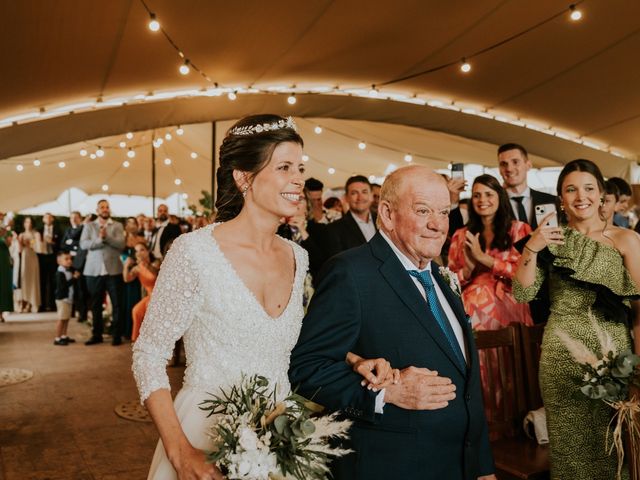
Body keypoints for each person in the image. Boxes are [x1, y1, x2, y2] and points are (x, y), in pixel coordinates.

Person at [289, 165, 496, 480]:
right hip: (393, 464)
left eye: (444, 212)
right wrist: (383, 395)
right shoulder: (351, 273)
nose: (437, 224)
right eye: (423, 210)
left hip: (458, 465)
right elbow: (306, 367)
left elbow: (467, 379)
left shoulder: (439, 275)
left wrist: (482, 465)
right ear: (386, 213)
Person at [514, 159, 640, 479]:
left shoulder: (626, 239)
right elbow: (523, 293)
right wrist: (533, 244)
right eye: (571, 189)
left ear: (600, 195)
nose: (580, 196)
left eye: (588, 188)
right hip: (560, 358)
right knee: (570, 455)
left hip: (615, 358)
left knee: (615, 450)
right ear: (561, 198)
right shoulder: (549, 239)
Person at [448, 174, 533, 330]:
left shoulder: (519, 230)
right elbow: (449, 282)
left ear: (500, 197)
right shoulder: (460, 235)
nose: (482, 200)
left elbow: (525, 274)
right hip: (470, 302)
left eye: (489, 194)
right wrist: (467, 271)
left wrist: (484, 258)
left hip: (508, 298)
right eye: (476, 195)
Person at [80, 200, 125, 346]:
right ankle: (96, 334)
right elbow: (84, 244)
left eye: (107, 207)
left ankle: (117, 335)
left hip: (113, 270)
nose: (105, 209)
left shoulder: (117, 225)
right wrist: (100, 239)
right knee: (95, 304)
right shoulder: (89, 225)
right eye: (102, 207)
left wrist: (107, 238)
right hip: (93, 271)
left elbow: (121, 244)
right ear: (97, 210)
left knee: (117, 304)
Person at [326, 175, 376, 257]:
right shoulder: (334, 229)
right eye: (354, 193)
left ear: (371, 195)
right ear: (346, 198)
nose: (360, 197)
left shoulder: (384, 221)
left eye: (364, 192)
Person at [123, 241, 160, 341]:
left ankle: (153, 341)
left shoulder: (156, 262)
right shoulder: (138, 268)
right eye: (137, 251)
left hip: (161, 295)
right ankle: (137, 340)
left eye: (142, 250)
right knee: (136, 311)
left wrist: (145, 263)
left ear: (148, 251)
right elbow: (127, 279)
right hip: (150, 295)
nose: (139, 253)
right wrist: (126, 266)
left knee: (149, 309)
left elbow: (155, 274)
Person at [61, 211, 88, 322]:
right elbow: (63, 245)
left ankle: (83, 313)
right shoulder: (67, 230)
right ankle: (72, 311)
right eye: (72, 217)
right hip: (70, 263)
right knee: (72, 287)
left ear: (80, 218)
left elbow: (81, 243)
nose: (73, 219)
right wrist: (73, 243)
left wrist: (71, 242)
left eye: (76, 217)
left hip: (81, 263)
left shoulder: (84, 228)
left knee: (82, 289)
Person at [13, 216, 41, 313]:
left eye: (29, 222)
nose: (28, 224)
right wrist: (20, 242)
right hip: (24, 258)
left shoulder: (36, 234)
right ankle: (25, 302)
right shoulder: (21, 235)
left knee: (33, 279)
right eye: (26, 222)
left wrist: (29, 244)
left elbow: (37, 247)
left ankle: (33, 303)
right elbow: (19, 251)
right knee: (24, 279)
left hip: (32, 257)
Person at [53, 251, 79, 345]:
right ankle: (57, 338)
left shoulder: (69, 270)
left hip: (68, 298)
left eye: (70, 259)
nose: (69, 261)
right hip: (62, 299)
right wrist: (74, 278)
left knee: (66, 318)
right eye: (66, 259)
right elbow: (63, 286)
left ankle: (64, 335)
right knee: (61, 318)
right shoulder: (60, 273)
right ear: (59, 261)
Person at [38, 212, 61, 311]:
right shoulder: (39, 230)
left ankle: (53, 305)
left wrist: (51, 242)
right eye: (46, 217)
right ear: (43, 219)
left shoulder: (58, 230)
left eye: (50, 217)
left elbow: (60, 244)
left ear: (53, 219)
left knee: (53, 281)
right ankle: (42, 305)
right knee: (42, 281)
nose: (48, 219)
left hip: (53, 257)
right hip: (41, 257)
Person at [0, 220, 13, 320]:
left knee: (3, 286)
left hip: (3, 261)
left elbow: (9, 244)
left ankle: (1, 313)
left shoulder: (6, 231)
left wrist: (4, 233)